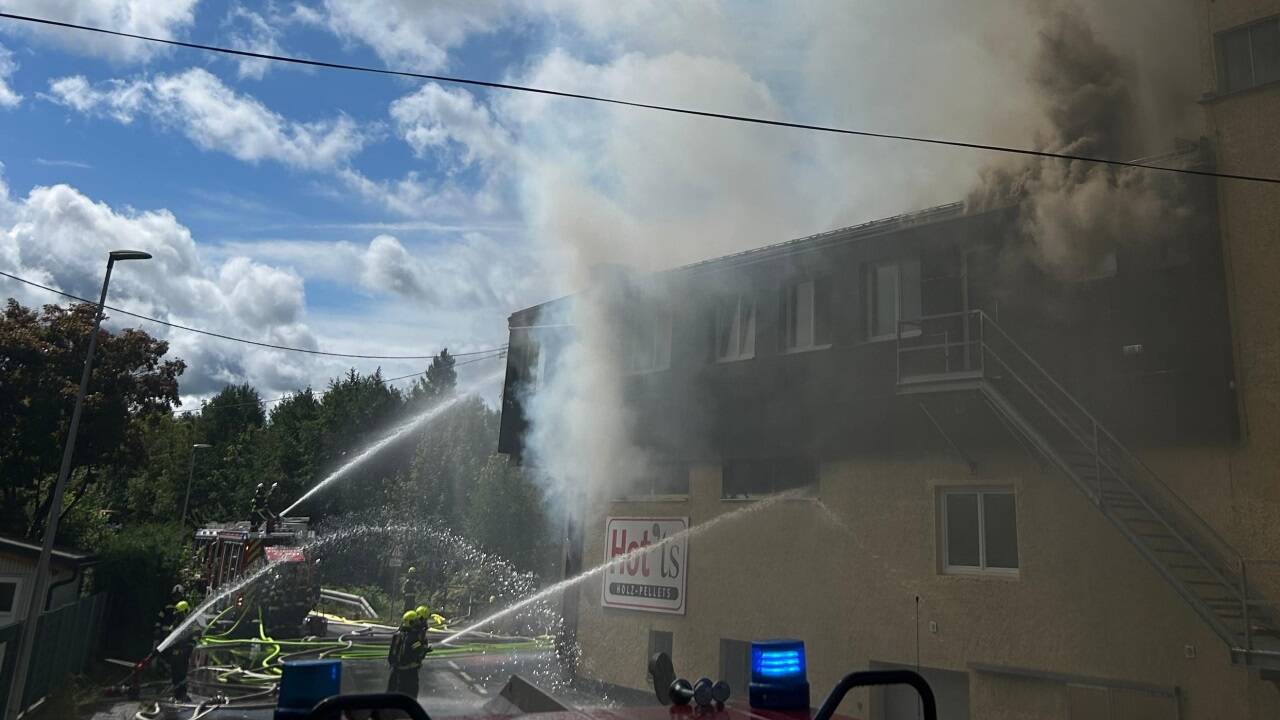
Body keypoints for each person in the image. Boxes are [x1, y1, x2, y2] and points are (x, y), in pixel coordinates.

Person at [156, 600, 196, 701]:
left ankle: (182, 695)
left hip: (184, 653)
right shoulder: (176, 623)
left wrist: (190, 647)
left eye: (180, 613)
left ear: (185, 612)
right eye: (177, 614)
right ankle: (177, 695)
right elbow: (170, 636)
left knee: (182, 675)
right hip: (175, 653)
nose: (178, 616)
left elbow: (196, 635)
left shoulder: (191, 623)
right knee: (175, 675)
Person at [387, 610, 430, 697]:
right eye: (416, 621)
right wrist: (425, 649)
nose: (418, 623)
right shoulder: (413, 637)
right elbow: (416, 650)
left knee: (392, 695)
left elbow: (392, 654)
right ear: (411, 622)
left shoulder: (398, 635)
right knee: (410, 697)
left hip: (395, 672)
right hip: (409, 673)